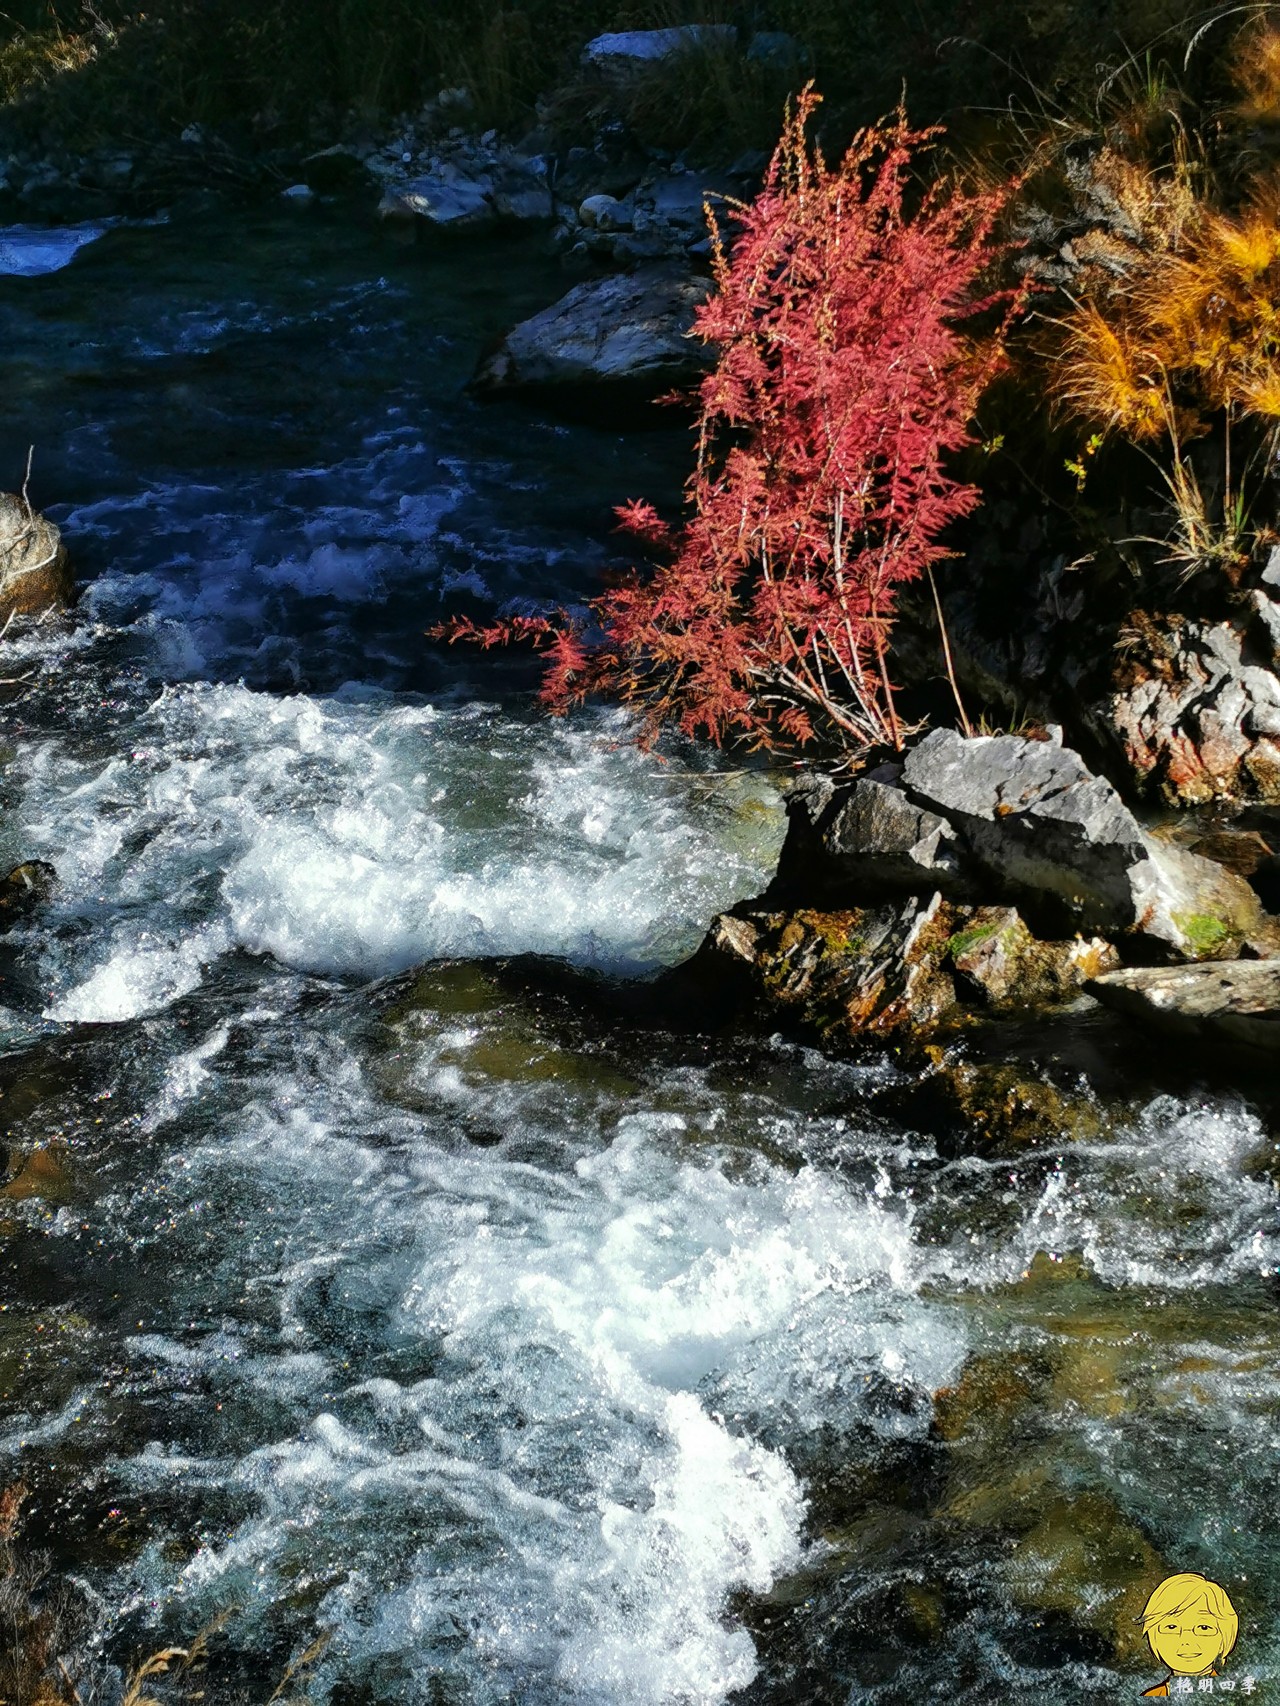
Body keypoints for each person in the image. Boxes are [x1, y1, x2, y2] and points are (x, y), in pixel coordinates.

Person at [1140, 1573, 1239, 1697]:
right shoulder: (1152, 1697)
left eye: (1204, 1627)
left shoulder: (1233, 1694)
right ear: (1153, 1636)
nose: (1187, 1640)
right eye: (1172, 1627)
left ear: (1224, 1637)